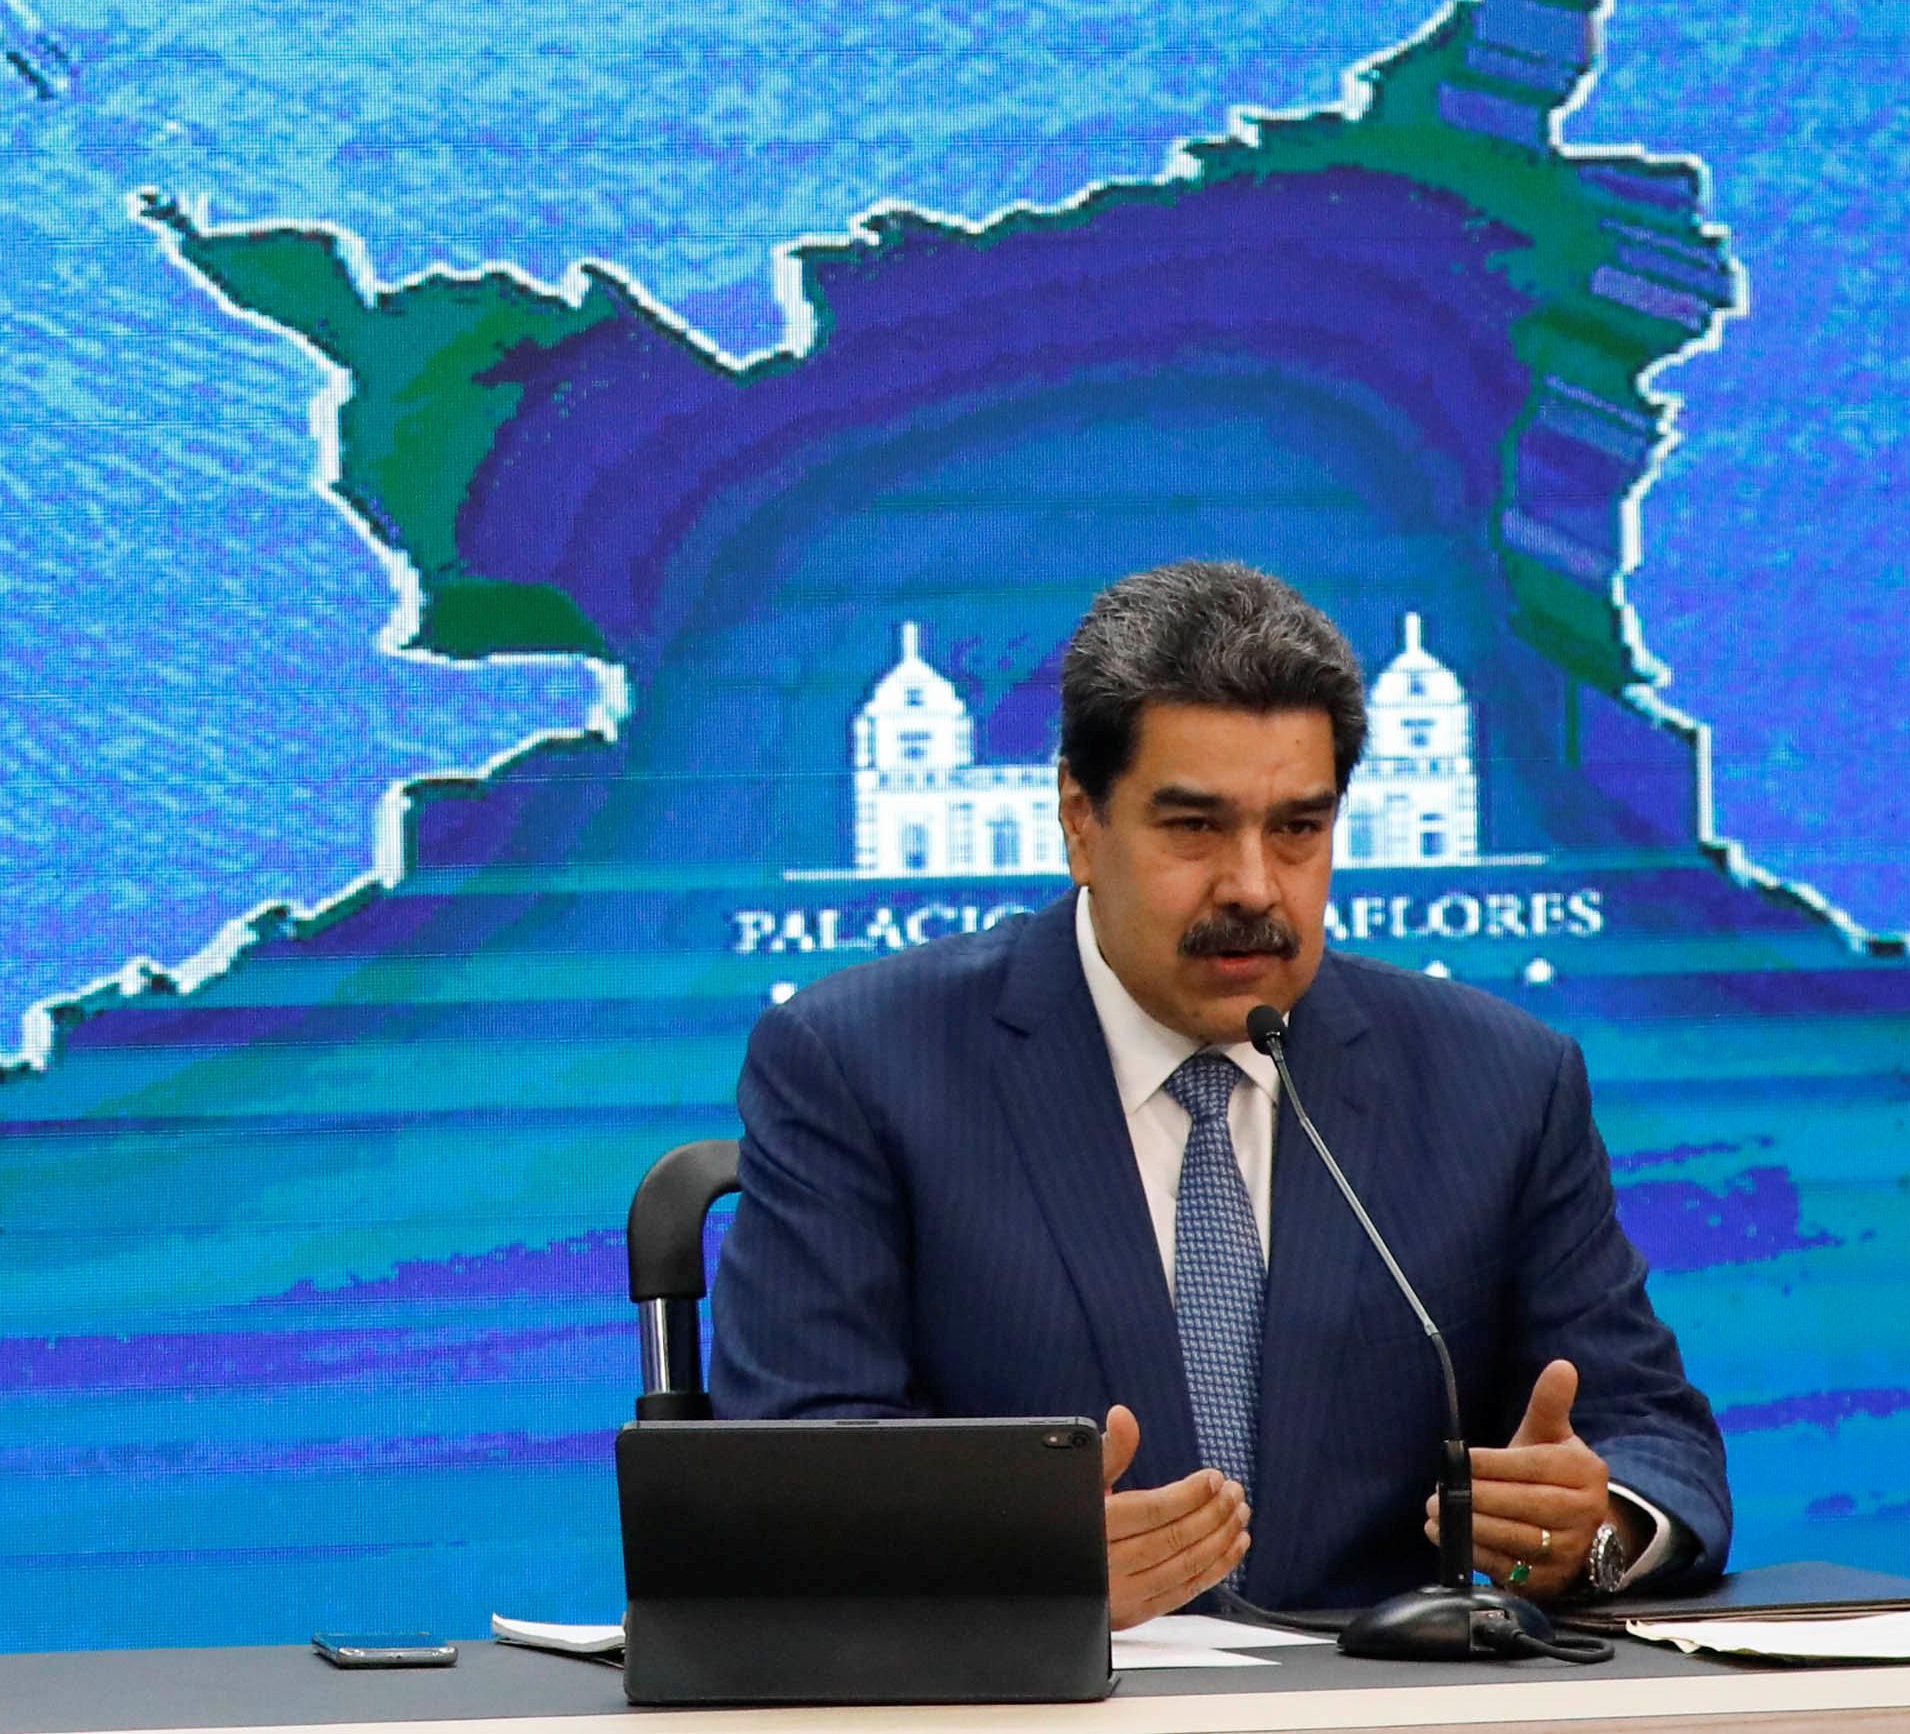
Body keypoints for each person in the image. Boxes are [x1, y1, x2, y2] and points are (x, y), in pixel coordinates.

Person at [708, 561, 1731, 1625]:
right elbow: (786, 1469)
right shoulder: (859, 1063)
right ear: (1078, 818)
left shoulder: (1501, 1082)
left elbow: (1650, 1439)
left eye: (1296, 828)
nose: (1252, 884)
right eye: (1194, 827)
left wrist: (1593, 1528)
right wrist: (1011, 1567)